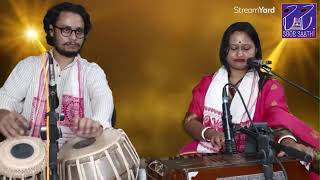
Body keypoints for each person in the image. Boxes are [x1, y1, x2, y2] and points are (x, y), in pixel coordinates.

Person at [181, 22, 319, 177]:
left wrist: (289, 143)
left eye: (246, 48)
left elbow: (278, 120)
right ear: (224, 50)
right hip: (210, 155)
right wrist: (210, 133)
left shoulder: (267, 86)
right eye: (234, 48)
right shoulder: (207, 84)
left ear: (256, 50)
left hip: (254, 160)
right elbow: (189, 121)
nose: (240, 53)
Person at [0, 2, 114, 146]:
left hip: (78, 162)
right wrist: (3, 115)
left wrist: (98, 122)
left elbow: (102, 98)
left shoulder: (92, 71)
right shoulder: (29, 66)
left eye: (79, 31)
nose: (73, 37)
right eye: (66, 30)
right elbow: (6, 98)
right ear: (52, 30)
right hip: (31, 159)